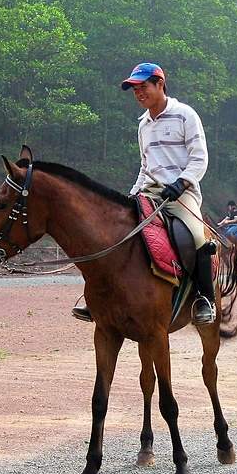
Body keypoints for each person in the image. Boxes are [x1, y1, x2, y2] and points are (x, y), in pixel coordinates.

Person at [72, 62, 216, 325]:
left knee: (198, 238)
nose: (138, 94)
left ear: (160, 84)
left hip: (181, 195)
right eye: (134, 90)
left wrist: (182, 183)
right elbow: (145, 166)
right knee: (115, 233)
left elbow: (199, 159)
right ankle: (99, 300)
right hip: (147, 193)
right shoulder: (143, 124)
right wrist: (132, 194)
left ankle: (204, 299)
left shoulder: (185, 114)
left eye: (143, 87)